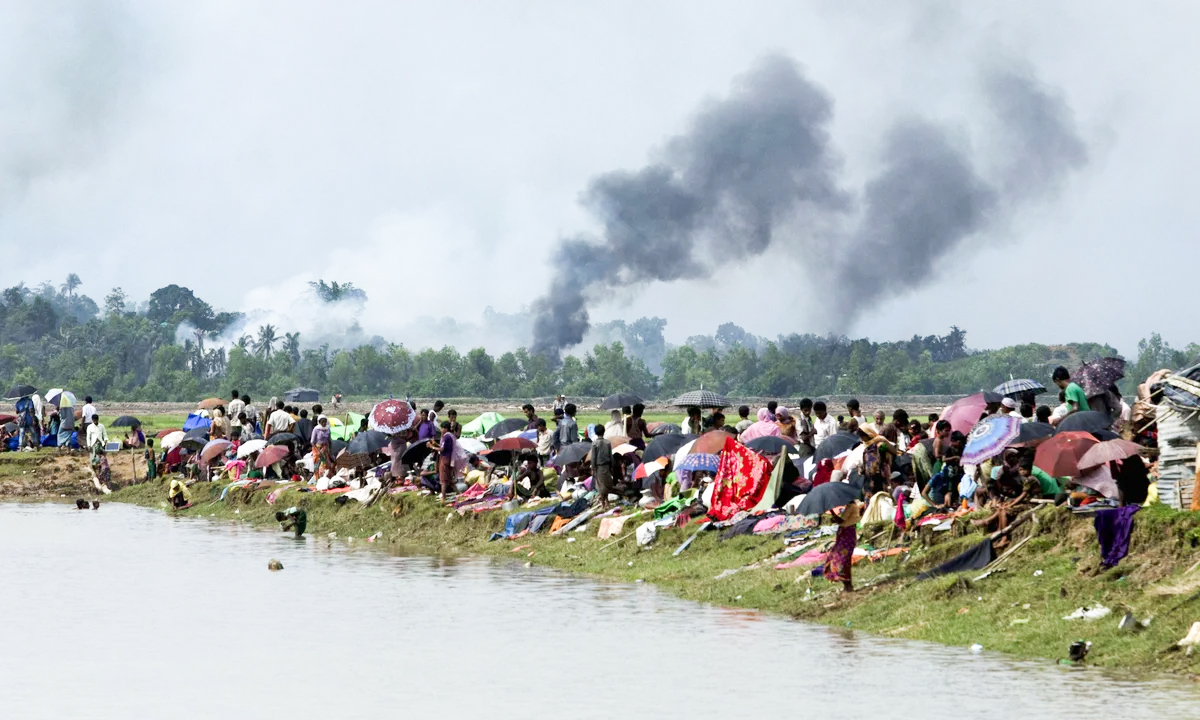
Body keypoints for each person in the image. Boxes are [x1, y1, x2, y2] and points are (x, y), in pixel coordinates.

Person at [823, 500, 861, 592]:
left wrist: (832, 512)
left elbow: (840, 520)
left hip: (847, 535)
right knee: (841, 559)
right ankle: (847, 585)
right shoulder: (850, 506)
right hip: (845, 535)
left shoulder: (851, 507)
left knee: (842, 560)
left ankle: (848, 585)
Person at [591, 424, 614, 509]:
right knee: (606, 484)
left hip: (599, 467)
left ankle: (604, 503)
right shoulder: (607, 442)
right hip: (607, 466)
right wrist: (611, 466)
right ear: (604, 432)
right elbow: (610, 456)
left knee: (601, 485)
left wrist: (593, 468)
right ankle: (606, 502)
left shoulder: (595, 444)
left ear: (595, 433)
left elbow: (593, 457)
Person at [435, 420, 456, 501]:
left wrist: (432, 447)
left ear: (445, 429)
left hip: (444, 458)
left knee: (443, 479)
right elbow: (442, 445)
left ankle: (443, 497)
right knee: (449, 477)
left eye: (442, 428)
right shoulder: (450, 436)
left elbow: (442, 449)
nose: (441, 430)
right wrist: (435, 444)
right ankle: (457, 492)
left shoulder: (446, 436)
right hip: (449, 458)